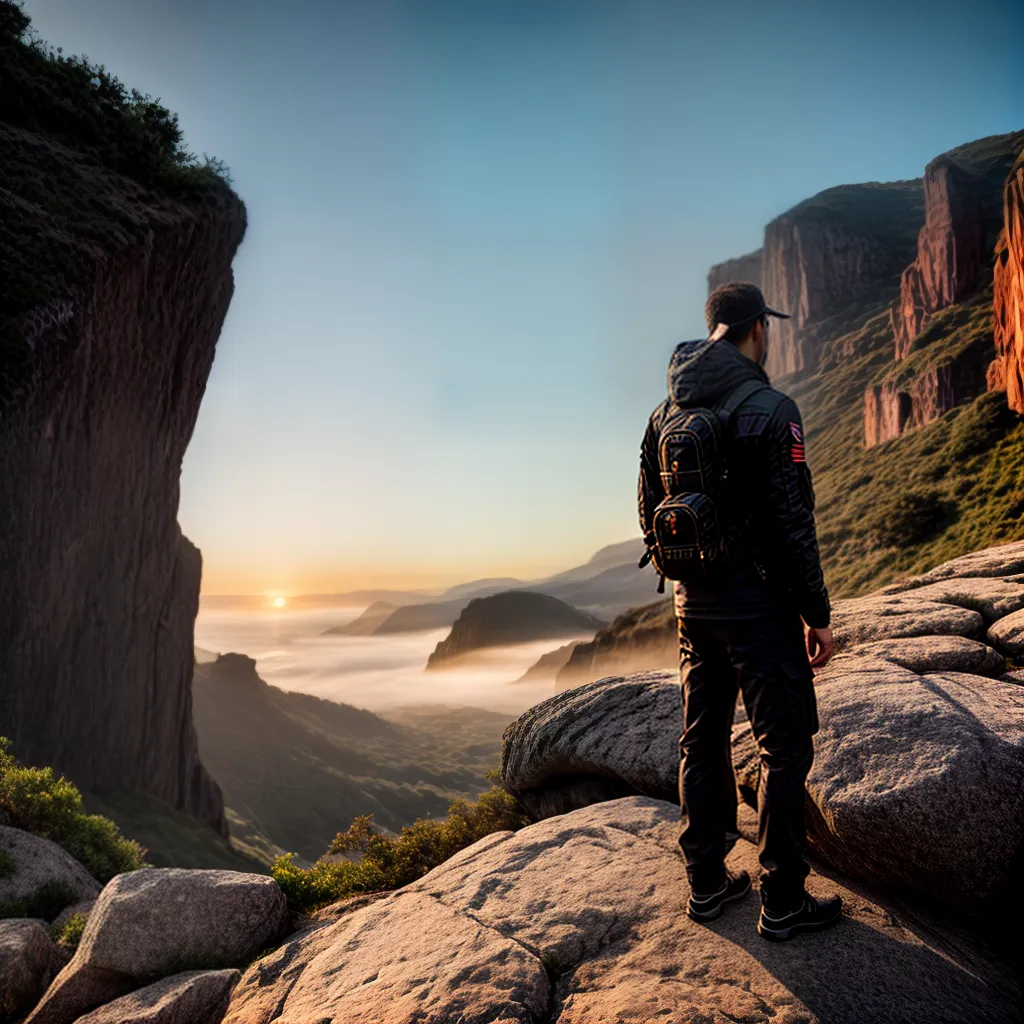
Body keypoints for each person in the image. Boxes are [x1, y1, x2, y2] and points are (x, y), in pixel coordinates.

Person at [637, 281, 841, 941]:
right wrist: (815, 613)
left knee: (701, 737)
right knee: (784, 748)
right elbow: (793, 524)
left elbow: (648, 512)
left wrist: (685, 583)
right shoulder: (771, 408)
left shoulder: (664, 412)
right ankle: (781, 897)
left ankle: (705, 883)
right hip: (759, 607)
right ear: (759, 328)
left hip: (691, 605)